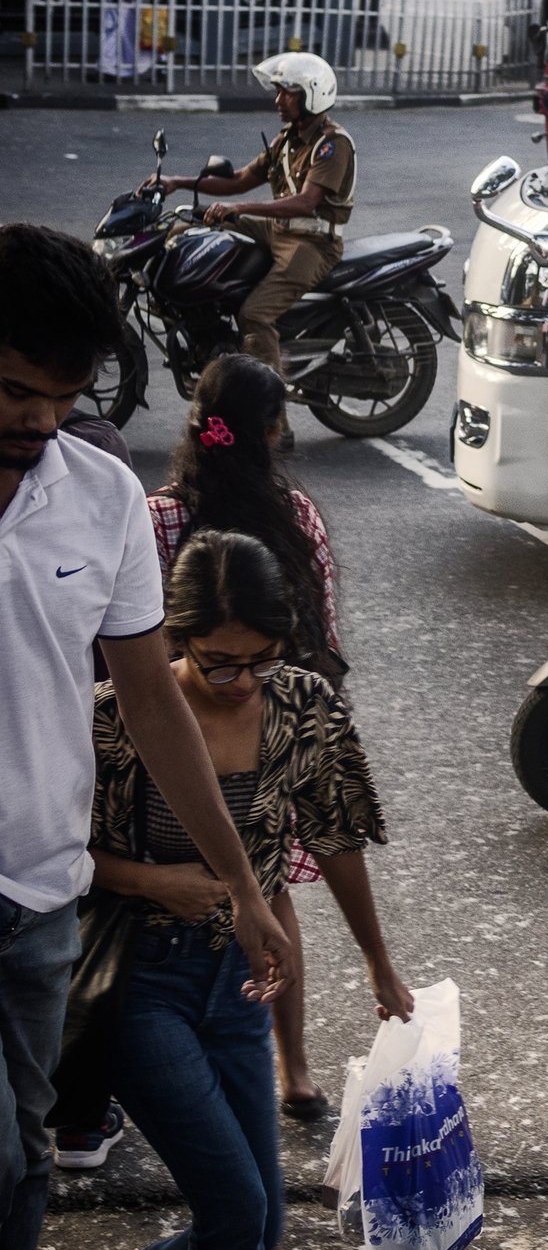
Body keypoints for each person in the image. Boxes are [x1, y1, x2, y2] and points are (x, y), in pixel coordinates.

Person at [0, 225, 295, 1250]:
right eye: (15, 390)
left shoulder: (105, 496)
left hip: (38, 902)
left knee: (26, 1155)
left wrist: (241, 885)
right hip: (83, 924)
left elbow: (155, 701)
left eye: (60, 398)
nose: (34, 420)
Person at [89, 529, 400, 1250]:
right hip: (137, 981)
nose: (241, 680)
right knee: (235, 1203)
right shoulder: (117, 713)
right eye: (216, 661)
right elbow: (49, 856)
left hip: (239, 981)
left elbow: (335, 837)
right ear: (172, 636)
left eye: (261, 657)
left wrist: (377, 962)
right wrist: (154, 878)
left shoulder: (302, 702)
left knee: (259, 1226)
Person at [146, 354, 360, 1121]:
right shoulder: (295, 516)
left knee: (153, 897)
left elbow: (118, 642)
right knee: (265, 893)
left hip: (169, 735)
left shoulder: (158, 516)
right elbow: (324, 638)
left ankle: (145, 1061)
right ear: (269, 430)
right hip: (269, 731)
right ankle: (293, 1069)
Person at [146, 53, 357, 448]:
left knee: (255, 314)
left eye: (286, 93)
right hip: (278, 229)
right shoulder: (287, 139)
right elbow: (241, 180)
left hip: (312, 242)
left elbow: (305, 203)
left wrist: (240, 209)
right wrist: (176, 182)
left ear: (310, 95)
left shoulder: (332, 145)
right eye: (277, 92)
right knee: (194, 226)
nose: (278, 101)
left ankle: (277, 423)